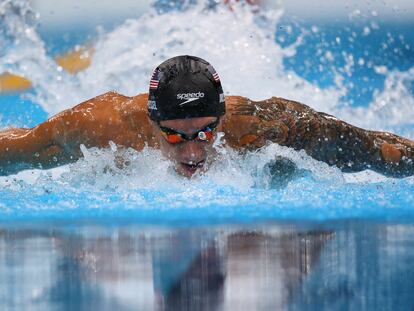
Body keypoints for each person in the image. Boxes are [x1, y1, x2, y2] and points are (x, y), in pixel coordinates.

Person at [0, 55, 413, 178]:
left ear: (221, 118)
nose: (194, 151)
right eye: (176, 137)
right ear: (151, 123)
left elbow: (374, 148)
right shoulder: (98, 128)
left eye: (205, 132)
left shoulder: (261, 126)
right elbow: (13, 150)